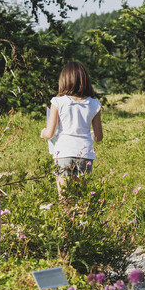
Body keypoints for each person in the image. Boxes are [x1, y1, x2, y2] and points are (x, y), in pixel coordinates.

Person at [40, 61, 103, 193]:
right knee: (82, 195)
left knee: (64, 196)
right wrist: (89, 134)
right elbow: (98, 137)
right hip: (85, 154)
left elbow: (50, 133)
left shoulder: (58, 102)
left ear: (64, 80)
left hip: (63, 153)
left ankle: (65, 207)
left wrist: (43, 132)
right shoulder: (94, 104)